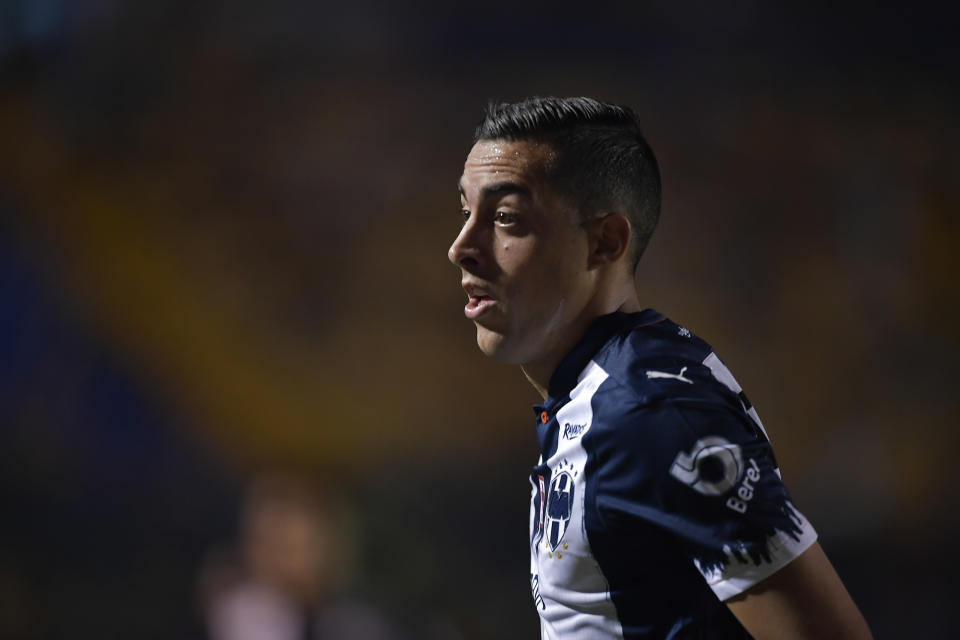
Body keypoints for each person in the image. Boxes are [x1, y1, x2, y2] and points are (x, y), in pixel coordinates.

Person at [447, 97, 872, 639]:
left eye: (505, 217)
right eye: (466, 212)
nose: (462, 247)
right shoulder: (602, 393)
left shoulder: (651, 411)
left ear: (605, 242)